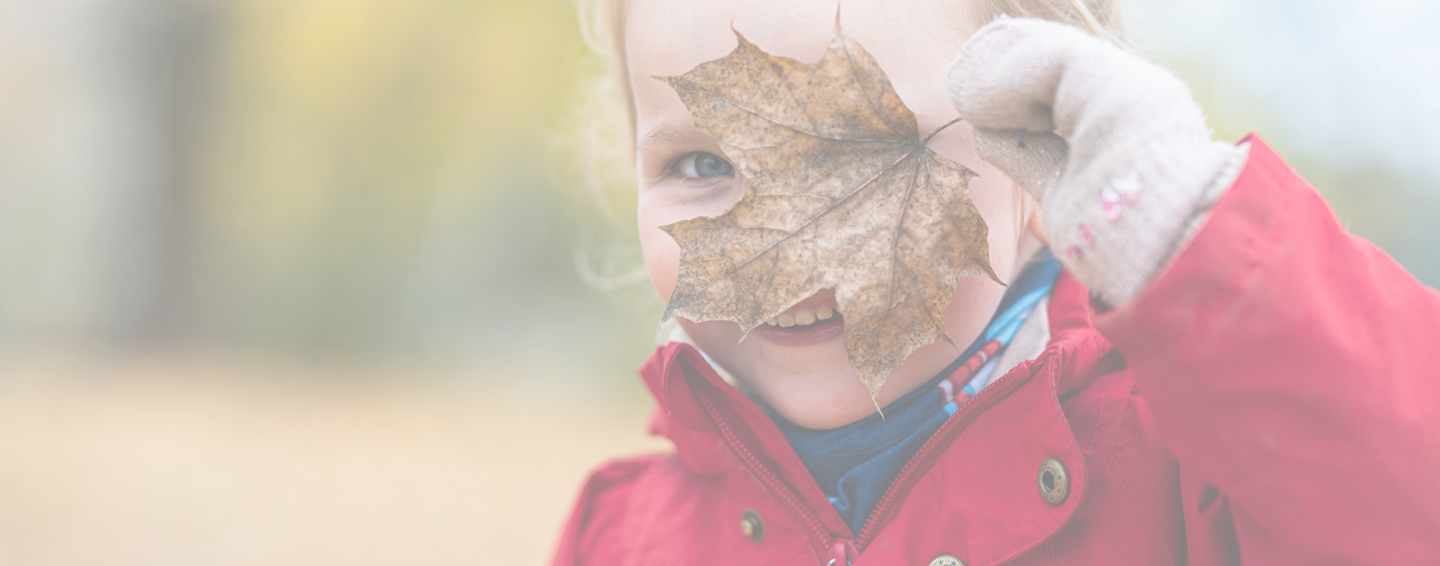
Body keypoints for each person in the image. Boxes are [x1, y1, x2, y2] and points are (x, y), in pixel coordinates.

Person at [552, 0, 1440, 564]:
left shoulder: (1182, 473)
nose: (788, 233)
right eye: (703, 162)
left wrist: (1194, 245)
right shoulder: (623, 540)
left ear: (1030, 149)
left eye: (862, 149)